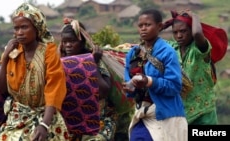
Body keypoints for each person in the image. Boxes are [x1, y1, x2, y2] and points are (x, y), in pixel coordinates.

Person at [0, 3, 70, 141]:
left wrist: (44, 125)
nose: (19, 32)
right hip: (18, 117)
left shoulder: (49, 52)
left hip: (46, 116)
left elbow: (54, 90)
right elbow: (1, 87)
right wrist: (5, 58)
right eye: (16, 28)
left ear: (37, 28)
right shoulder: (13, 53)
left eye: (24, 27)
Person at [122, 9, 188, 141]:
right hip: (141, 114)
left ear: (159, 26)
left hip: (165, 115)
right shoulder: (133, 54)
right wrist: (129, 88)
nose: (143, 29)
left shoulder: (167, 52)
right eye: (141, 26)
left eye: (148, 25)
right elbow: (127, 82)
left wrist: (149, 81)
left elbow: (175, 86)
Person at [58, 18, 117, 141]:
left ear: (82, 41)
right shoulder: (58, 62)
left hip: (99, 120)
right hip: (71, 119)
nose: (68, 45)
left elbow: (103, 91)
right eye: (65, 41)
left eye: (72, 41)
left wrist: (92, 64)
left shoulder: (94, 58)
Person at [162, 10, 218, 125]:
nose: (179, 36)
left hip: (203, 113)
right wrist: (162, 26)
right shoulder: (173, 49)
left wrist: (195, 16)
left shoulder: (198, 49)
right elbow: (149, 40)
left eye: (183, 31)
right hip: (182, 114)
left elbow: (198, 34)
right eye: (175, 32)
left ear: (191, 30)